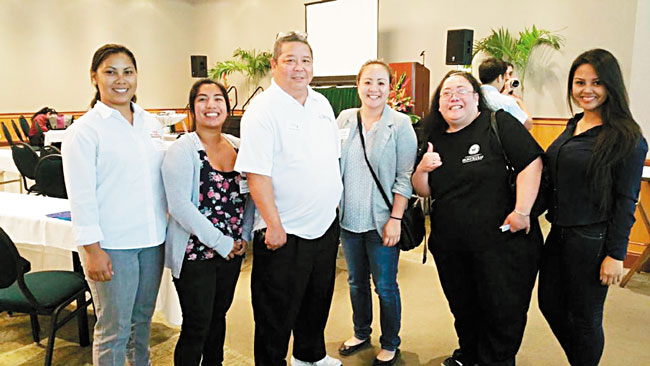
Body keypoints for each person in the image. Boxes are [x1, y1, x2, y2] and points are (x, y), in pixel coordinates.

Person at [412, 71, 544, 366]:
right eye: (446, 93)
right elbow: (424, 190)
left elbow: (531, 163)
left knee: (501, 310)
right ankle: (469, 354)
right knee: (463, 306)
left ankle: (495, 360)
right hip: (451, 246)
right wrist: (422, 169)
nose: (453, 97)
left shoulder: (498, 124)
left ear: (476, 97)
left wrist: (522, 210)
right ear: (439, 102)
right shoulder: (432, 135)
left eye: (461, 90)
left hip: (502, 245)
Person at [234, 31, 343, 366]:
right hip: (284, 230)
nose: (299, 68)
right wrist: (274, 224)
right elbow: (257, 175)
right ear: (274, 64)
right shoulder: (262, 110)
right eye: (291, 60)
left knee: (317, 298)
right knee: (276, 310)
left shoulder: (322, 103)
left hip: (324, 225)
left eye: (306, 61)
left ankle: (310, 356)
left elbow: (330, 160)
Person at [538, 49, 647, 366]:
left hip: (592, 240)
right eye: (579, 82)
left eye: (597, 82)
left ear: (611, 85)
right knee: (550, 305)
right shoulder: (573, 126)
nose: (587, 90)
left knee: (585, 318)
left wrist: (616, 255)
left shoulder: (627, 138)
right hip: (557, 234)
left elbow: (626, 201)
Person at [62, 44, 167, 366]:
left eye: (128, 72)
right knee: (113, 329)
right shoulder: (84, 131)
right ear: (94, 77)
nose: (120, 80)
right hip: (112, 245)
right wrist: (92, 250)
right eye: (110, 72)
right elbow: (81, 196)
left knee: (142, 323)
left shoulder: (152, 123)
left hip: (152, 241)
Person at [162, 78, 253, 366]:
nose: (211, 105)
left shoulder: (240, 147)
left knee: (218, 318)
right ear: (191, 108)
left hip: (231, 253)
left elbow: (251, 198)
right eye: (202, 99)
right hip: (195, 254)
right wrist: (222, 242)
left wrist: (244, 238)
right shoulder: (182, 149)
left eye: (218, 99)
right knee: (197, 325)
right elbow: (179, 207)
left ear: (228, 107)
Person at [335, 60, 417, 366]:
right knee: (355, 282)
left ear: (389, 88)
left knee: (384, 286)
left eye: (381, 83)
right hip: (348, 220)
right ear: (358, 86)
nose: (374, 89)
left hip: (383, 222)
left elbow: (404, 176)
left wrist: (396, 218)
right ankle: (360, 332)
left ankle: (390, 342)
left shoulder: (400, 124)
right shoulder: (344, 120)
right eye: (368, 82)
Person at [478, 58, 533, 130]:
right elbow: (527, 124)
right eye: (505, 75)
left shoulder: (472, 97)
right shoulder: (507, 101)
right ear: (499, 78)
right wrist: (519, 102)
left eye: (510, 74)